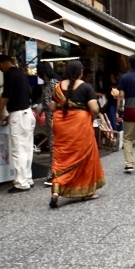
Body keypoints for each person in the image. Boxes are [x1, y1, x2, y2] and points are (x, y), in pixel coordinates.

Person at [49, 60, 106, 207]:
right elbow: (94, 108)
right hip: (79, 124)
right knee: (84, 157)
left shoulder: (57, 87)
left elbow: (52, 107)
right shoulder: (86, 87)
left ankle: (56, 190)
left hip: (61, 124)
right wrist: (89, 117)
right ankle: (86, 192)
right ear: (81, 72)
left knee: (61, 157)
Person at [0, 54, 33, 192]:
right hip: (27, 113)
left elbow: (5, 99)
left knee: (18, 150)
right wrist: (10, 116)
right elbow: (25, 94)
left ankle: (21, 183)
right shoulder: (21, 74)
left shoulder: (9, 75)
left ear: (2, 64)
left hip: (19, 116)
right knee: (27, 148)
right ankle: (27, 178)